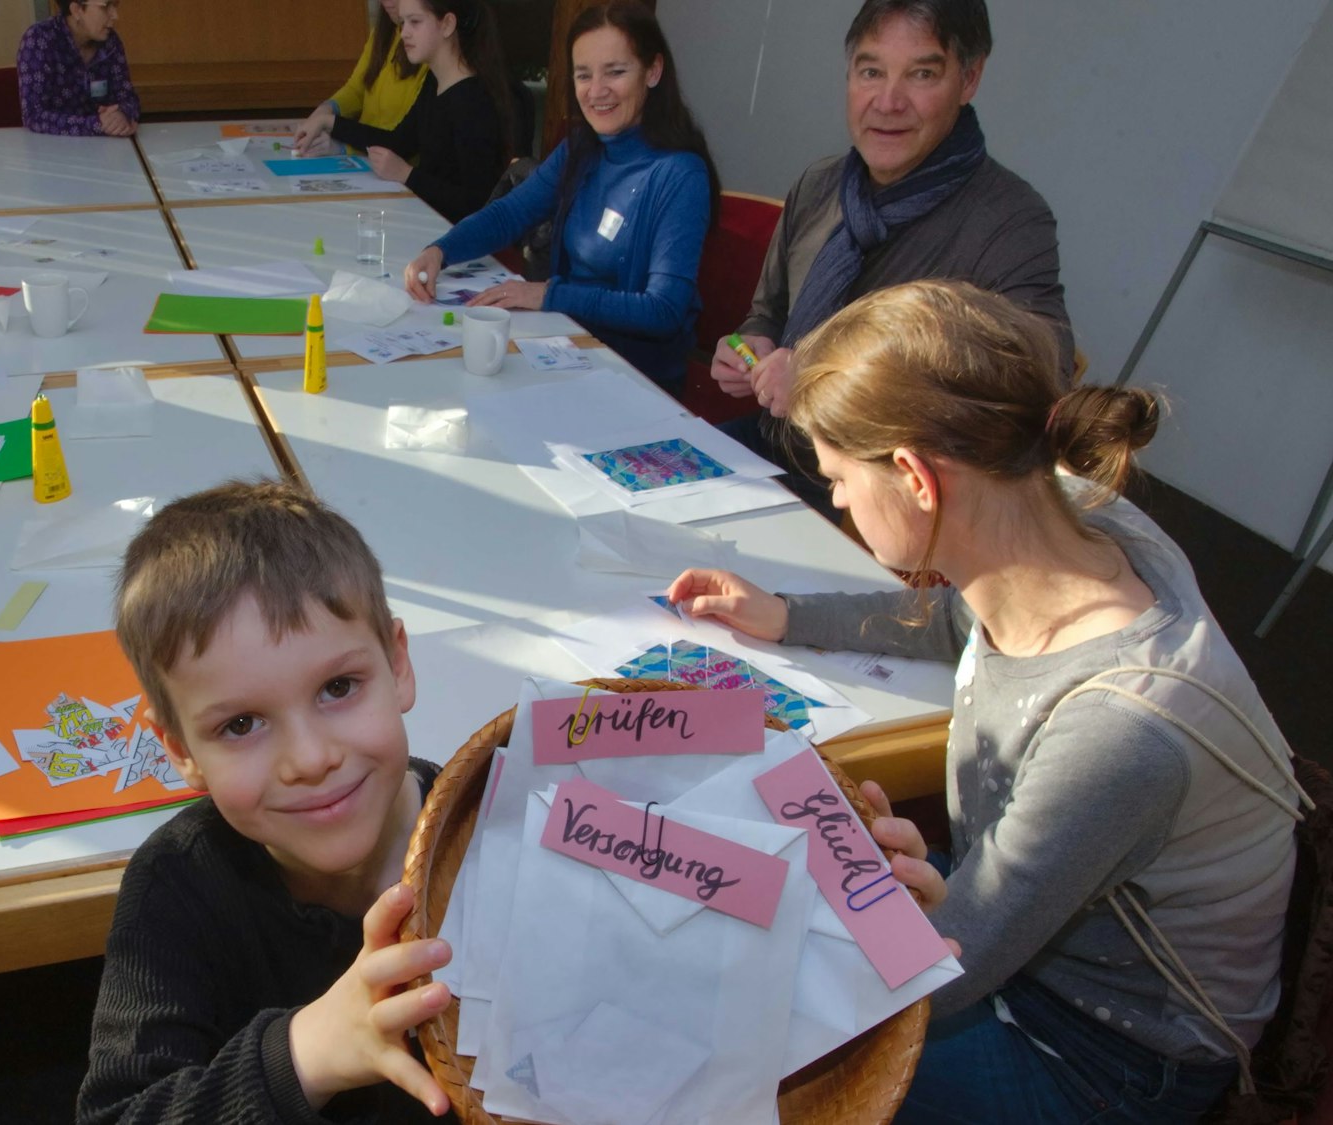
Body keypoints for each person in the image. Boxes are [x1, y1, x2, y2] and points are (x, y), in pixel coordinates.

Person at [667, 280, 1299, 1125]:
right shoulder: (1059, 509)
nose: (840, 504)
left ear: (916, 478)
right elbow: (965, 608)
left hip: (1103, 1055)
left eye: (839, 480)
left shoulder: (1116, 733)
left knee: (733, 1068)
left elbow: (936, 975)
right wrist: (788, 616)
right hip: (1007, 934)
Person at [76, 480, 454, 1124]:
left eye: (338, 686)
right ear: (181, 749)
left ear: (398, 664)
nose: (310, 759)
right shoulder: (178, 884)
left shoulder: (487, 829)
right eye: (241, 725)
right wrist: (302, 1057)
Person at [709, 0, 1070, 496]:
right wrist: (750, 346)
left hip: (889, 494)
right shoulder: (820, 185)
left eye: (921, 74)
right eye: (871, 71)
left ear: (969, 79)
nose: (888, 101)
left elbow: (1039, 380)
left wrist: (828, 380)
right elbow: (766, 314)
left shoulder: (1009, 220)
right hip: (774, 444)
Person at [402, 0, 718, 392]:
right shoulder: (581, 147)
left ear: (652, 71)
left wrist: (548, 294)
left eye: (615, 72)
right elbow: (509, 215)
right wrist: (440, 251)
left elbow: (663, 309)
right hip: (563, 345)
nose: (596, 91)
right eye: (583, 75)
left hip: (632, 379)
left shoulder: (680, 174)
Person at [296, 0, 512, 224]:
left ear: (447, 25)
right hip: (429, 224)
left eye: (415, 22)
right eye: (403, 23)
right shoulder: (434, 82)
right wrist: (330, 121)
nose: (403, 34)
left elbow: (476, 201)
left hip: (455, 241)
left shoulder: (472, 101)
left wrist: (407, 174)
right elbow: (399, 142)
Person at [290, 0, 428, 156]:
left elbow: (404, 143)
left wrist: (342, 147)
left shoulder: (427, 51)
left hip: (387, 161)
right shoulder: (382, 32)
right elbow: (357, 88)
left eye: (415, 21)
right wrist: (326, 109)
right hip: (365, 153)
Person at [17, 0, 141, 137]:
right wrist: (97, 124)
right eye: (105, 7)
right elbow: (34, 115)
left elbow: (128, 98)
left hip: (105, 149)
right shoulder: (39, 40)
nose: (115, 15)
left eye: (115, 6)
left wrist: (122, 114)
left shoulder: (111, 42)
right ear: (76, 10)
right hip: (51, 149)